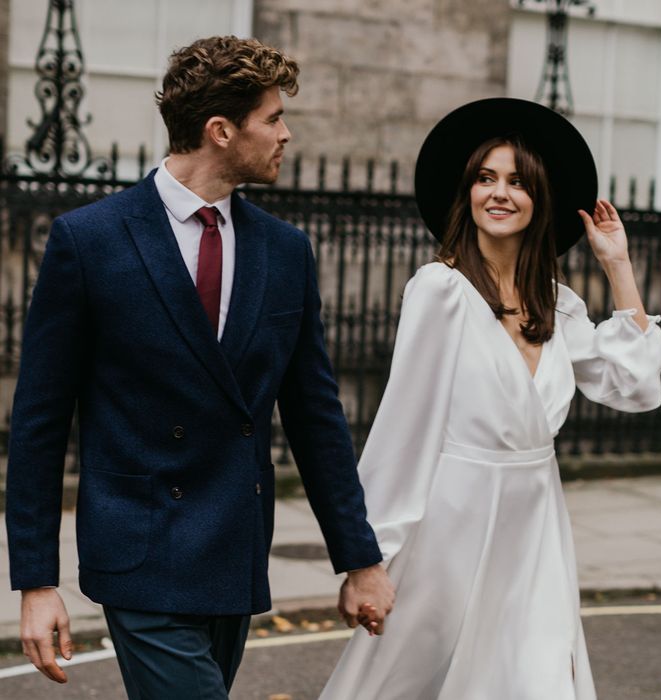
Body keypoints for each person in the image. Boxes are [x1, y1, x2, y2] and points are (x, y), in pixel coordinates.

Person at [5, 35, 393, 699]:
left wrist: (360, 559)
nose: (286, 134)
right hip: (139, 552)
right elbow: (39, 423)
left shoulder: (285, 251)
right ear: (221, 131)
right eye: (272, 118)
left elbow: (316, 417)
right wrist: (36, 582)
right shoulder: (91, 241)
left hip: (232, 553)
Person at [319, 98, 661, 699]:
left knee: (535, 677)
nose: (499, 193)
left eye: (516, 181)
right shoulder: (441, 291)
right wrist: (368, 558)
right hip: (452, 528)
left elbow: (635, 386)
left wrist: (618, 265)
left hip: (535, 528)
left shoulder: (558, 304)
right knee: (410, 682)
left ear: (539, 199)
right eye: (486, 178)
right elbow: (405, 427)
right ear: (468, 193)